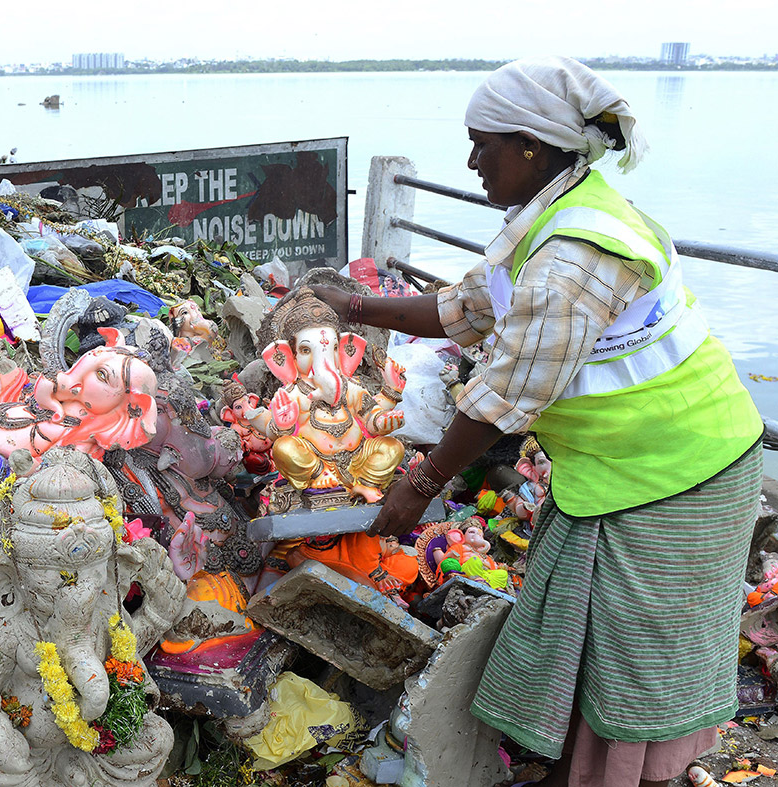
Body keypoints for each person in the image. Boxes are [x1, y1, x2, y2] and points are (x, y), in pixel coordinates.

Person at [311, 56, 762, 787]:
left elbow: (501, 397)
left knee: (635, 654)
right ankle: (584, 768)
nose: (471, 161)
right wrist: (352, 306)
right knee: (581, 624)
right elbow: (464, 308)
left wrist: (418, 485)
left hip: (685, 472)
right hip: (620, 468)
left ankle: (616, 777)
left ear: (530, 145)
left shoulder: (574, 254)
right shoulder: (551, 216)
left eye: (482, 144)